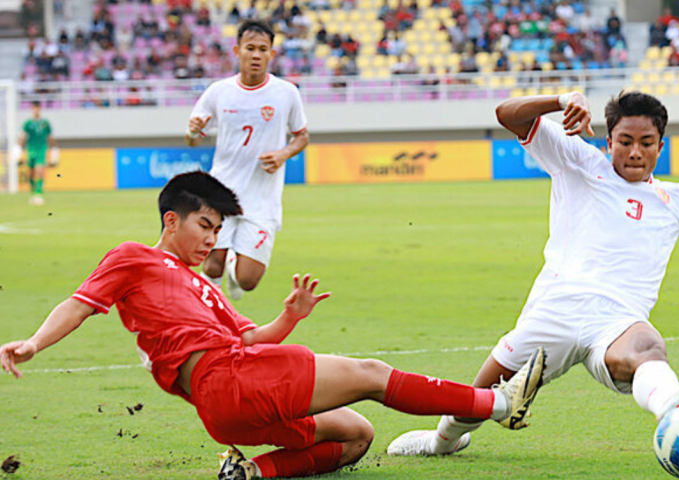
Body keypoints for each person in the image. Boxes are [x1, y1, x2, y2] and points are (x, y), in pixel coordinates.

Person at [0, 171, 546, 480]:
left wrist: (290, 316)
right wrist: (34, 342)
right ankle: (500, 404)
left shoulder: (206, 288)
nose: (213, 239)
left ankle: (252, 474)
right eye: (205, 226)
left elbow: (252, 337)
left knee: (358, 436)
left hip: (228, 411)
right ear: (172, 220)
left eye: (218, 229)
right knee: (370, 372)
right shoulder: (135, 257)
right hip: (228, 380)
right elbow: (81, 302)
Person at [387, 91, 679, 458]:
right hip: (553, 313)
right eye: (625, 141)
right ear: (609, 140)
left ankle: (670, 404)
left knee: (648, 346)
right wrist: (562, 99)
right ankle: (442, 442)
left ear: (661, 143)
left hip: (617, 320)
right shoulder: (578, 161)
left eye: (647, 142)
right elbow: (506, 114)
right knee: (478, 401)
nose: (636, 152)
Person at [186, 19, 309, 300]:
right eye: (250, 48)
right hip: (222, 192)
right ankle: (212, 323)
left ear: (271, 54)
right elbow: (193, 139)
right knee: (211, 264)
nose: (256, 54)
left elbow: (302, 136)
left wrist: (283, 154)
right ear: (237, 50)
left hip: (262, 199)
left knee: (248, 280)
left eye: (262, 49)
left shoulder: (286, 93)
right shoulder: (219, 92)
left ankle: (234, 267)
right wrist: (193, 131)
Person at [17, 101, 58, 205]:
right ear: (31, 109)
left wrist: (55, 151)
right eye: (34, 108)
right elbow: (22, 137)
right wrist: (17, 150)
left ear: (40, 109)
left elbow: (50, 137)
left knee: (39, 170)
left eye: (37, 108)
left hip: (41, 149)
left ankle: (39, 194)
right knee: (30, 173)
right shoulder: (28, 123)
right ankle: (33, 192)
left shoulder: (45, 123)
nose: (35, 110)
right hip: (30, 149)